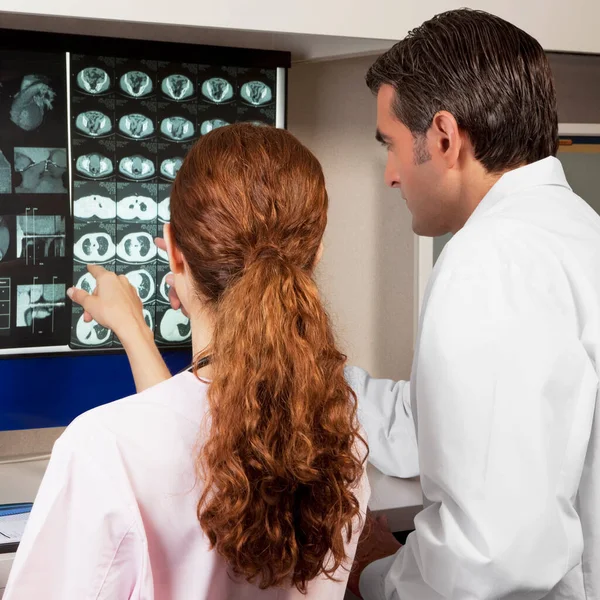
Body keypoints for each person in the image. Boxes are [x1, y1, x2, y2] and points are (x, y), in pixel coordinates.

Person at [4, 124, 371, 599]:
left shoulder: (102, 449)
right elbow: (196, 427)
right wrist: (135, 332)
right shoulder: (339, 443)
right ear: (316, 254)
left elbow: (174, 442)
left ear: (173, 249)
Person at [348, 8, 600, 600]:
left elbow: (491, 554)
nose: (390, 175)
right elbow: (456, 421)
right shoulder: (574, 230)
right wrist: (320, 381)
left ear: (443, 136)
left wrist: (376, 575)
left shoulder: (491, 261)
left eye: (391, 145)